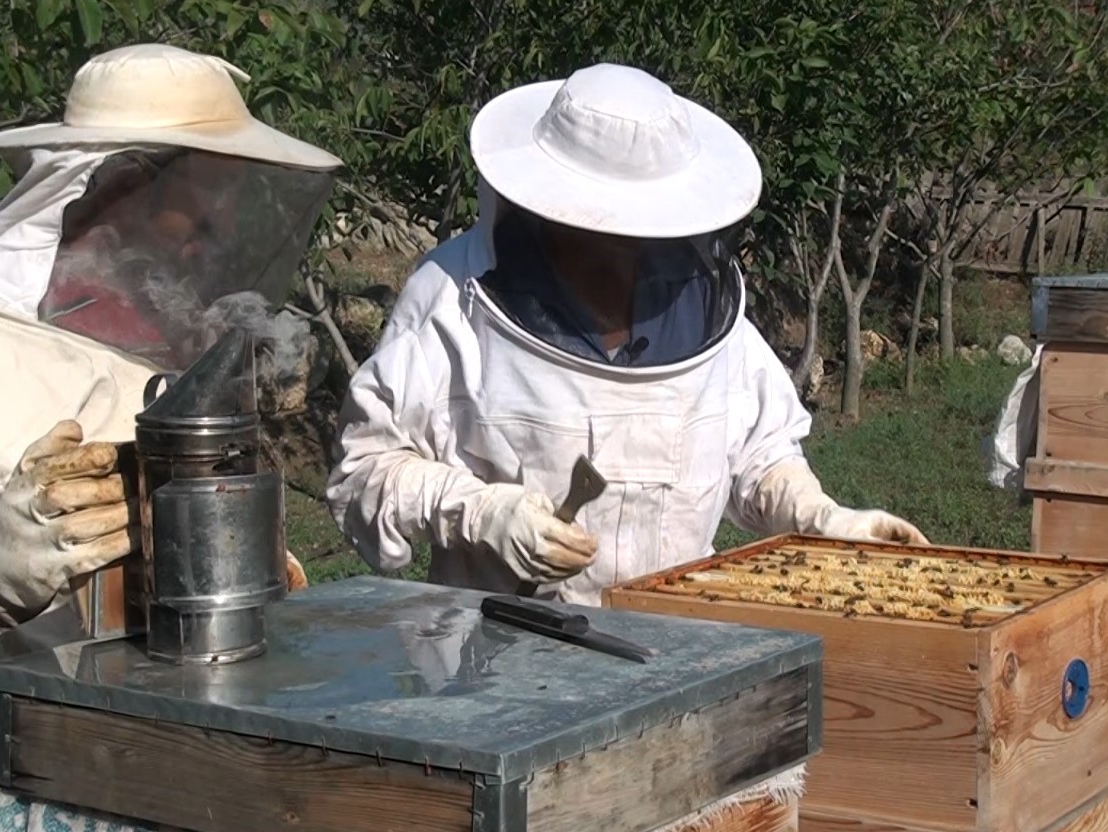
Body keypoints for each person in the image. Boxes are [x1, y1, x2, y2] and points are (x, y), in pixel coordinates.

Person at [327, 63, 927, 608]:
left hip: (680, 665)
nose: (626, 240)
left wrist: (822, 516)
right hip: (496, 678)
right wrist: (482, 512)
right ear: (551, 203)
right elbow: (365, 470)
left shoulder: (705, 305)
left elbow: (760, 455)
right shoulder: (450, 298)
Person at [0, 44, 342, 831]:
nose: (215, 240)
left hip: (163, 754)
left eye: (228, 216)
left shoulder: (173, 334)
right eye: (197, 216)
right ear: (113, 188)